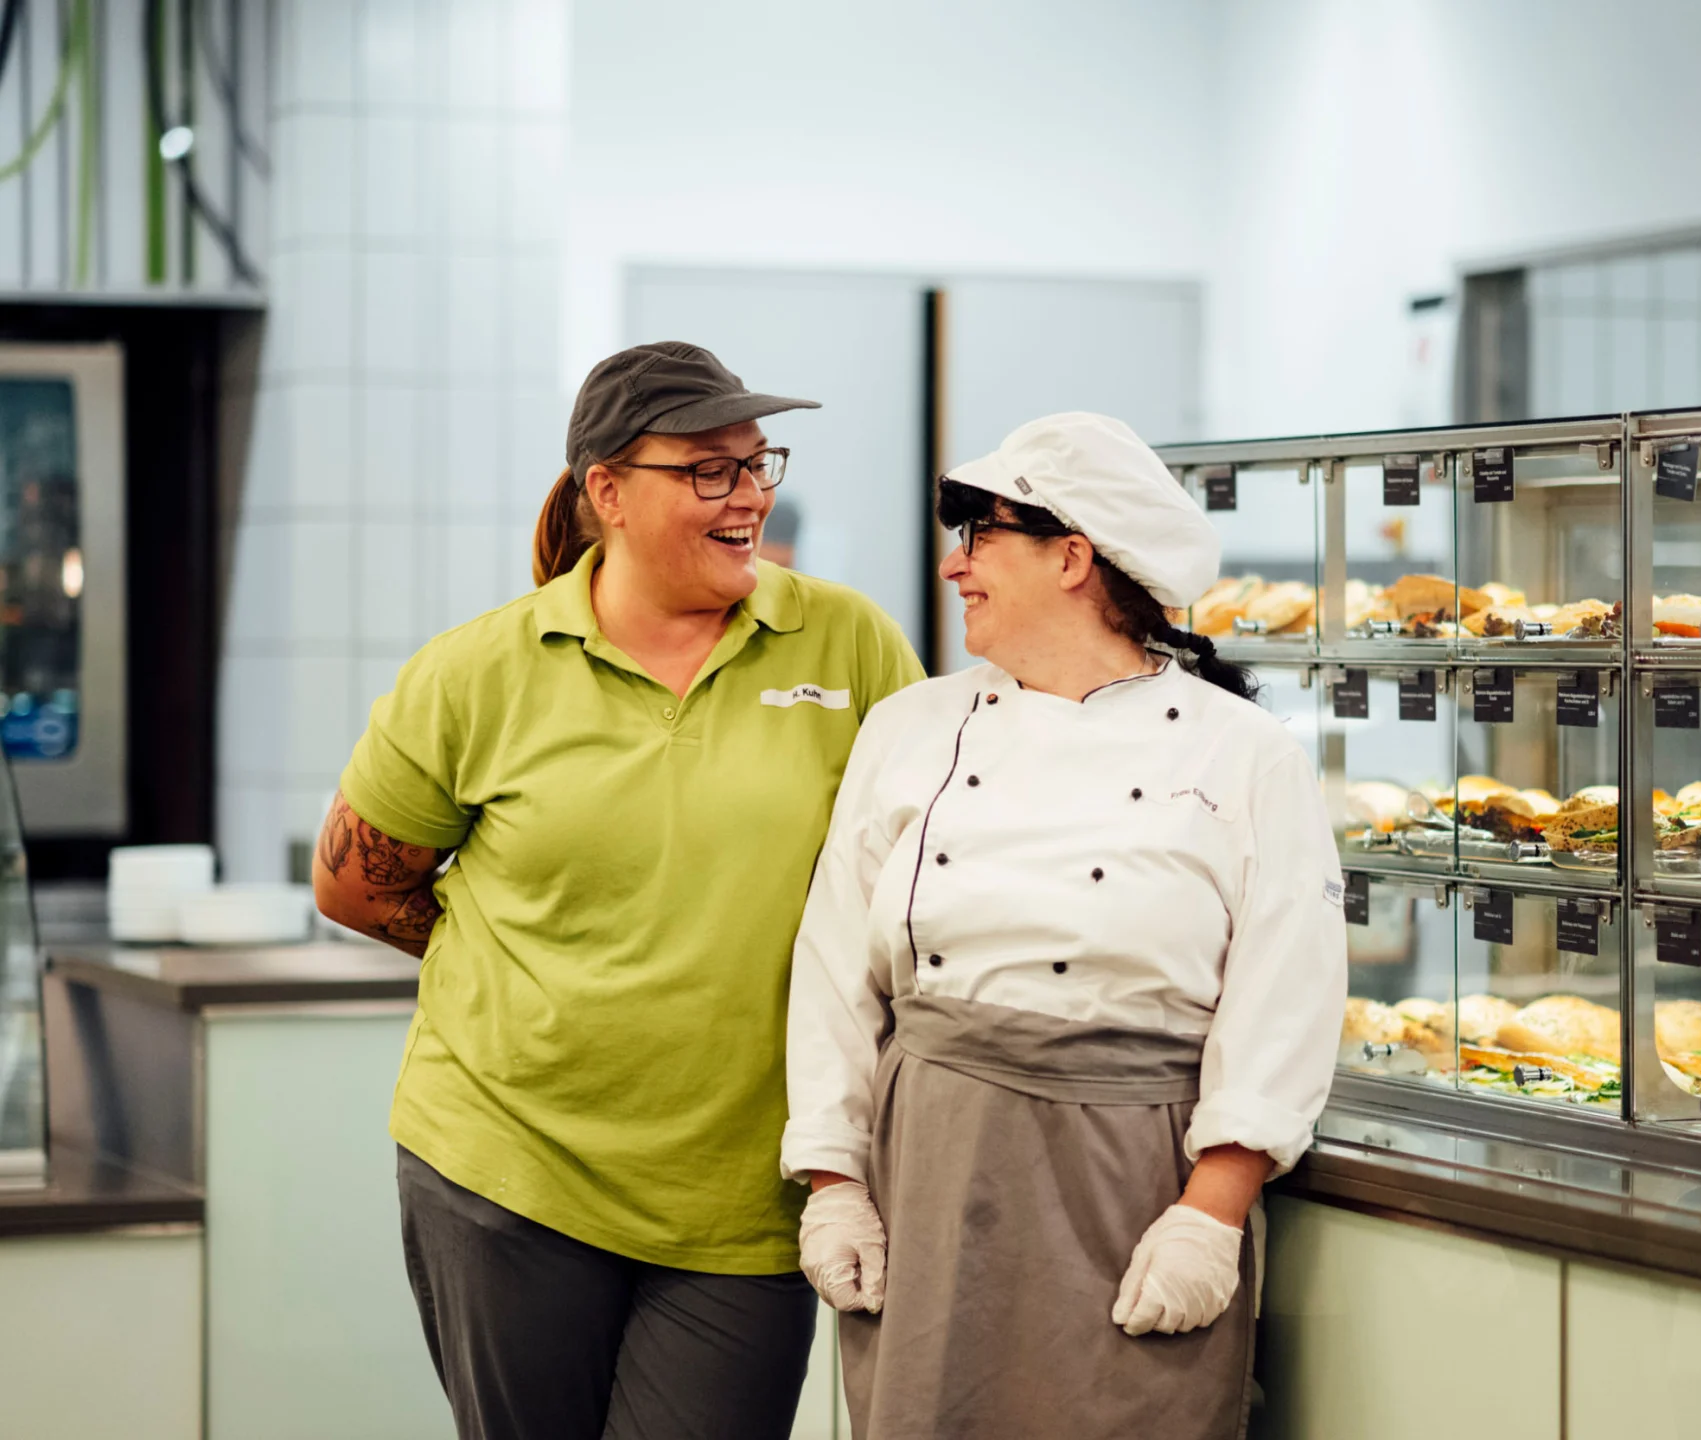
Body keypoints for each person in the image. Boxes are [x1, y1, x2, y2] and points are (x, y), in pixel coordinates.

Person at [311, 341, 924, 1440]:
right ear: (608, 491)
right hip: (506, 1171)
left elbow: (928, 867)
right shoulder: (479, 672)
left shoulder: (851, 643)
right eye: (708, 470)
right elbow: (357, 886)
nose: (748, 496)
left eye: (755, 464)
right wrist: (528, 970)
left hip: (746, 1195)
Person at [781, 412, 1347, 1439]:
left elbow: (1286, 995)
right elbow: (832, 972)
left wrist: (1211, 1217)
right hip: (932, 1174)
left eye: (981, 539)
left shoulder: (1246, 754)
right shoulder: (910, 728)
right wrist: (832, 1179)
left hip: (1129, 1183)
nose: (955, 568)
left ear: (1072, 556)